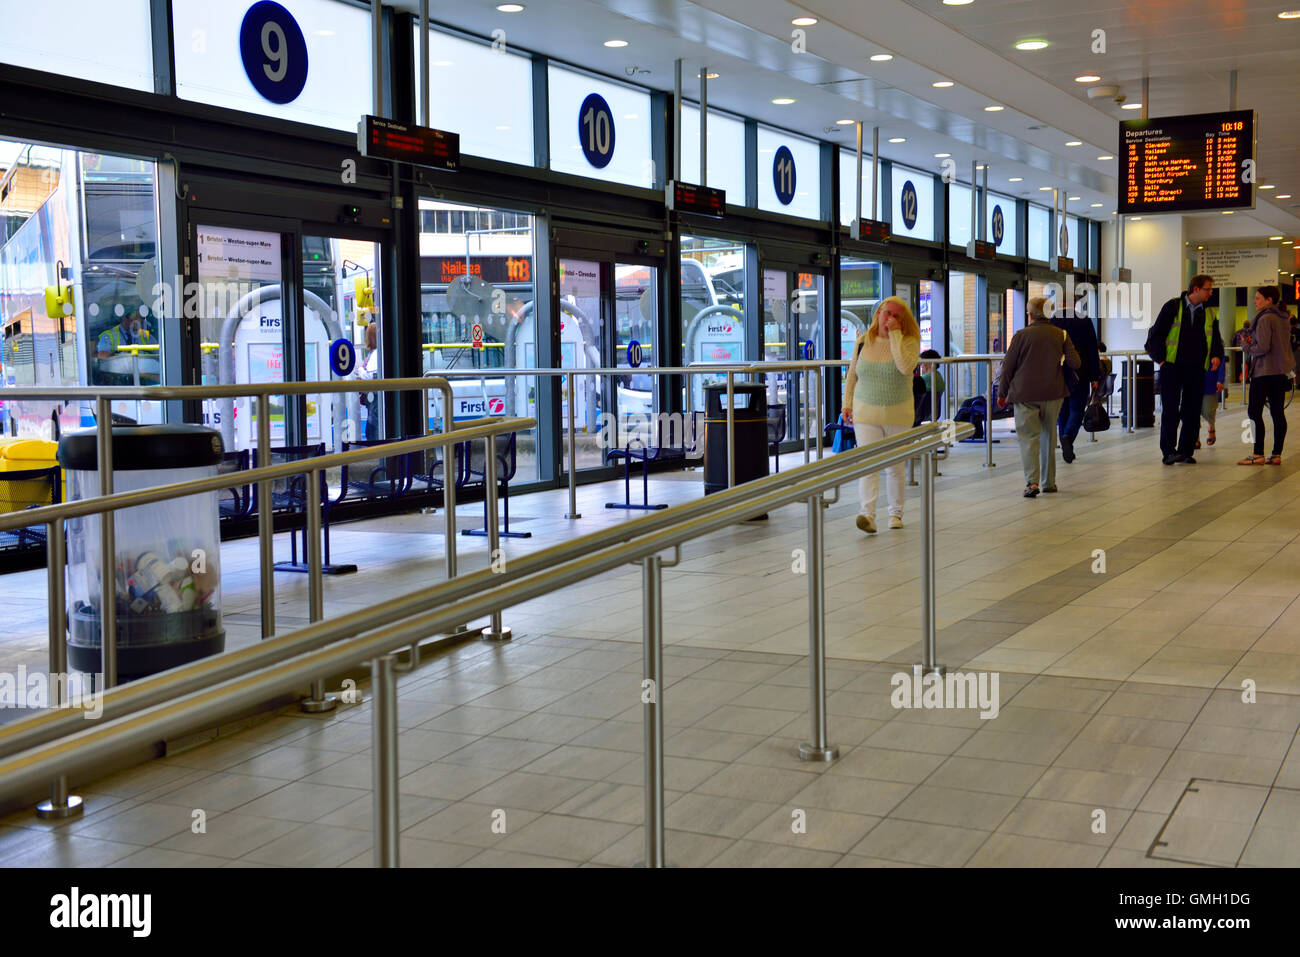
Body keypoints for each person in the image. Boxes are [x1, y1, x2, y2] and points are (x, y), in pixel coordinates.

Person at [841, 296, 921, 532]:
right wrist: (847, 403)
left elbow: (905, 367)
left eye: (897, 315)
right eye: (887, 313)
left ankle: (895, 513)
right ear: (878, 314)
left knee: (895, 466)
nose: (891, 318)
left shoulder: (910, 340)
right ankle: (867, 514)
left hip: (898, 413)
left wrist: (895, 335)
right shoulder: (864, 341)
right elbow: (853, 374)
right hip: (866, 412)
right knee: (868, 464)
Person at [997, 297, 1080, 497]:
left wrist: (1002, 393)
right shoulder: (1061, 335)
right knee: (1049, 437)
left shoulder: (1021, 335)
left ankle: (1032, 483)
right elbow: (1075, 363)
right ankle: (1049, 482)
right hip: (1053, 393)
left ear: (1031, 315)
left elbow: (1007, 367)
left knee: (1028, 439)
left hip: (1024, 394)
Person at [1145, 275, 1223, 465]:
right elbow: (1154, 337)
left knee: (1192, 411)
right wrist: (1162, 361)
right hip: (1172, 367)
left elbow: (1215, 340)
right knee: (1170, 410)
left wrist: (1216, 355)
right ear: (1195, 289)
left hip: (1196, 369)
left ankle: (1186, 450)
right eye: (1207, 289)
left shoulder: (1209, 313)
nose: (1210, 293)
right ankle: (1169, 451)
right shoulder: (1173, 307)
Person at [1238, 285, 1294, 465]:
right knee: (1277, 412)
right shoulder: (1283, 317)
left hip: (1264, 372)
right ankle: (1276, 454)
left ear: (1268, 300)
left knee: (1254, 411)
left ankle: (1258, 453)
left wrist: (1246, 346)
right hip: (1279, 372)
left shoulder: (1265, 318)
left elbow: (1262, 347)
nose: (1254, 302)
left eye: (1258, 298)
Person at [1051, 301, 1100, 463]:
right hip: (1081, 371)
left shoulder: (1053, 320)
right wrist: (1095, 376)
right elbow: (1092, 350)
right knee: (1077, 409)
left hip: (1058, 372)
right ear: (1073, 303)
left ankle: (1066, 442)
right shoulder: (1084, 320)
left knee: (1062, 410)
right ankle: (1068, 437)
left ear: (1060, 303)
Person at [354, 322, 381, 440]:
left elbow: (372, 377)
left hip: (374, 399)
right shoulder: (377, 353)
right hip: (374, 399)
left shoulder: (375, 354)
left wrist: (360, 371)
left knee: (372, 431)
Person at [1196, 358, 1226, 450]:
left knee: (1209, 410)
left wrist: (1220, 380)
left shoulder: (1216, 343)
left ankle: (1211, 426)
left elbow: (1222, 361)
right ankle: (1195, 436)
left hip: (1210, 381)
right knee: (1193, 411)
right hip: (1193, 380)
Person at [913, 349, 945, 425]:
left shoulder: (926, 378)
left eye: (922, 362)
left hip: (917, 414)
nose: (921, 365)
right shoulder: (938, 376)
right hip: (932, 413)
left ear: (929, 362)